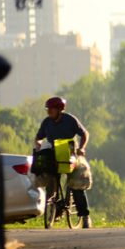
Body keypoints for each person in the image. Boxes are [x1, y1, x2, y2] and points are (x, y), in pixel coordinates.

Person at [34, 96, 92, 229]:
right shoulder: (47, 122)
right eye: (47, 109)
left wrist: (82, 148)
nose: (48, 112)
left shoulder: (70, 120)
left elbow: (84, 134)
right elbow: (38, 138)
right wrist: (38, 146)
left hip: (71, 154)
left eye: (51, 109)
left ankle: (85, 216)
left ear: (60, 109)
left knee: (77, 184)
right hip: (54, 153)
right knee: (49, 179)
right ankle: (54, 209)